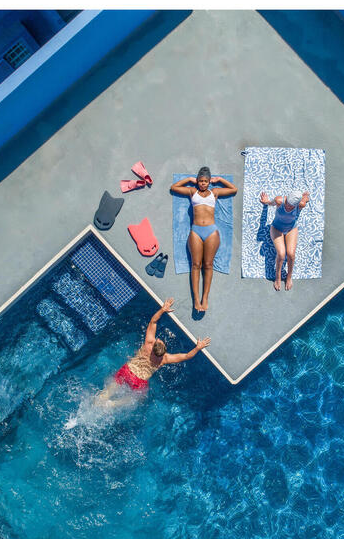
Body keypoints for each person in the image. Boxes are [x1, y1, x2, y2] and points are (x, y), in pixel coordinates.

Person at [97, 298, 210, 408]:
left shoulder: (148, 344)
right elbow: (186, 356)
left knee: (108, 390)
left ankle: (98, 401)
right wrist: (198, 347)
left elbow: (153, 321)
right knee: (140, 398)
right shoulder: (164, 359)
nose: (160, 339)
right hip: (139, 381)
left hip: (128, 370)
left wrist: (163, 309)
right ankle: (114, 404)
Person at [171, 166, 238, 312]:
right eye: (200, 181)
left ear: (209, 182)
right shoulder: (192, 191)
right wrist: (189, 180)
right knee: (195, 264)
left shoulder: (215, 192)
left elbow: (234, 189)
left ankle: (205, 297)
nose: (202, 183)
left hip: (211, 232)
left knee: (208, 264)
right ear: (197, 181)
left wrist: (219, 180)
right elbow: (174, 187)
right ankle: (196, 299)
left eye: (205, 181)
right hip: (195, 231)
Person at [259, 189, 310, 291]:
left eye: (291, 206)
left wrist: (304, 197)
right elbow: (270, 203)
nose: (287, 206)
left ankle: (289, 276)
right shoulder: (279, 201)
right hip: (276, 228)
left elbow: (305, 199)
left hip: (291, 229)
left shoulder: (301, 204)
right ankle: (277, 277)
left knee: (291, 254)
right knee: (281, 254)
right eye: (287, 203)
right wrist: (266, 202)